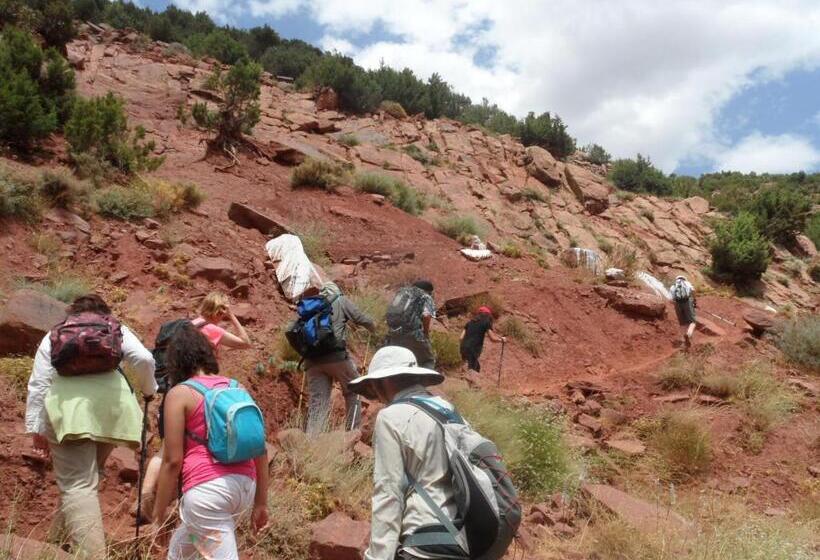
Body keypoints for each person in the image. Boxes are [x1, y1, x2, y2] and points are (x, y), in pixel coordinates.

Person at [25, 294, 157, 559]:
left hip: (70, 411)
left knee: (77, 484)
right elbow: (144, 359)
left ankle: (92, 555)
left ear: (72, 314)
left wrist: (36, 426)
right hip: (111, 411)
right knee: (85, 478)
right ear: (103, 313)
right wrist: (149, 390)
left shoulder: (56, 333)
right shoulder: (115, 328)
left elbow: (40, 384)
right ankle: (57, 544)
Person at [152, 323, 269, 560]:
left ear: (176, 360)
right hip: (244, 489)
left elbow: (172, 461)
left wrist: (158, 515)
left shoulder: (180, 394)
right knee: (180, 552)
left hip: (208, 495)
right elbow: (261, 450)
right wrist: (260, 503)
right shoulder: (237, 387)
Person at [138, 291, 252, 521]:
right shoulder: (211, 330)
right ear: (219, 310)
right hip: (198, 395)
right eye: (224, 310)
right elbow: (246, 343)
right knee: (197, 447)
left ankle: (145, 500)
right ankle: (183, 503)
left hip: (172, 391)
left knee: (165, 450)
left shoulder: (187, 327)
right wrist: (232, 318)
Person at [348, 346, 468, 560]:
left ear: (385, 381)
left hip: (425, 539)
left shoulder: (391, 417)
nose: (375, 392)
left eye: (375, 385)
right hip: (462, 539)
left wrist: (378, 557)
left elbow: (388, 491)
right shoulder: (447, 409)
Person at [303, 282, 376, 435]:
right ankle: (352, 434)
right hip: (335, 356)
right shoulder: (340, 300)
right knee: (354, 390)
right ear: (336, 291)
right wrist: (373, 327)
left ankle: (312, 441)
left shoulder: (311, 307)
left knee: (318, 402)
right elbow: (361, 318)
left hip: (311, 360)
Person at [384, 280, 437, 369]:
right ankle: (423, 381)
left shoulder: (401, 292)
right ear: (428, 291)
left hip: (393, 333)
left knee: (398, 361)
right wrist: (426, 334)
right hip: (413, 334)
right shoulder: (426, 296)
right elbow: (427, 315)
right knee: (428, 361)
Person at [459, 306, 505, 373]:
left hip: (463, 347)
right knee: (471, 371)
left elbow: (461, 338)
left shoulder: (469, 323)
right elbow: (492, 338)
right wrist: (501, 340)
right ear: (487, 315)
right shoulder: (486, 322)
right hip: (473, 349)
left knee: (476, 368)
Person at [669, 275, 697, 349]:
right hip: (687, 302)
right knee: (692, 322)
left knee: (682, 323)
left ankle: (683, 341)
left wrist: (676, 305)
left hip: (677, 304)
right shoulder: (687, 283)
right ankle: (688, 334)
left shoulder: (673, 286)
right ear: (684, 279)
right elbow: (693, 291)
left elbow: (670, 300)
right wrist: (694, 300)